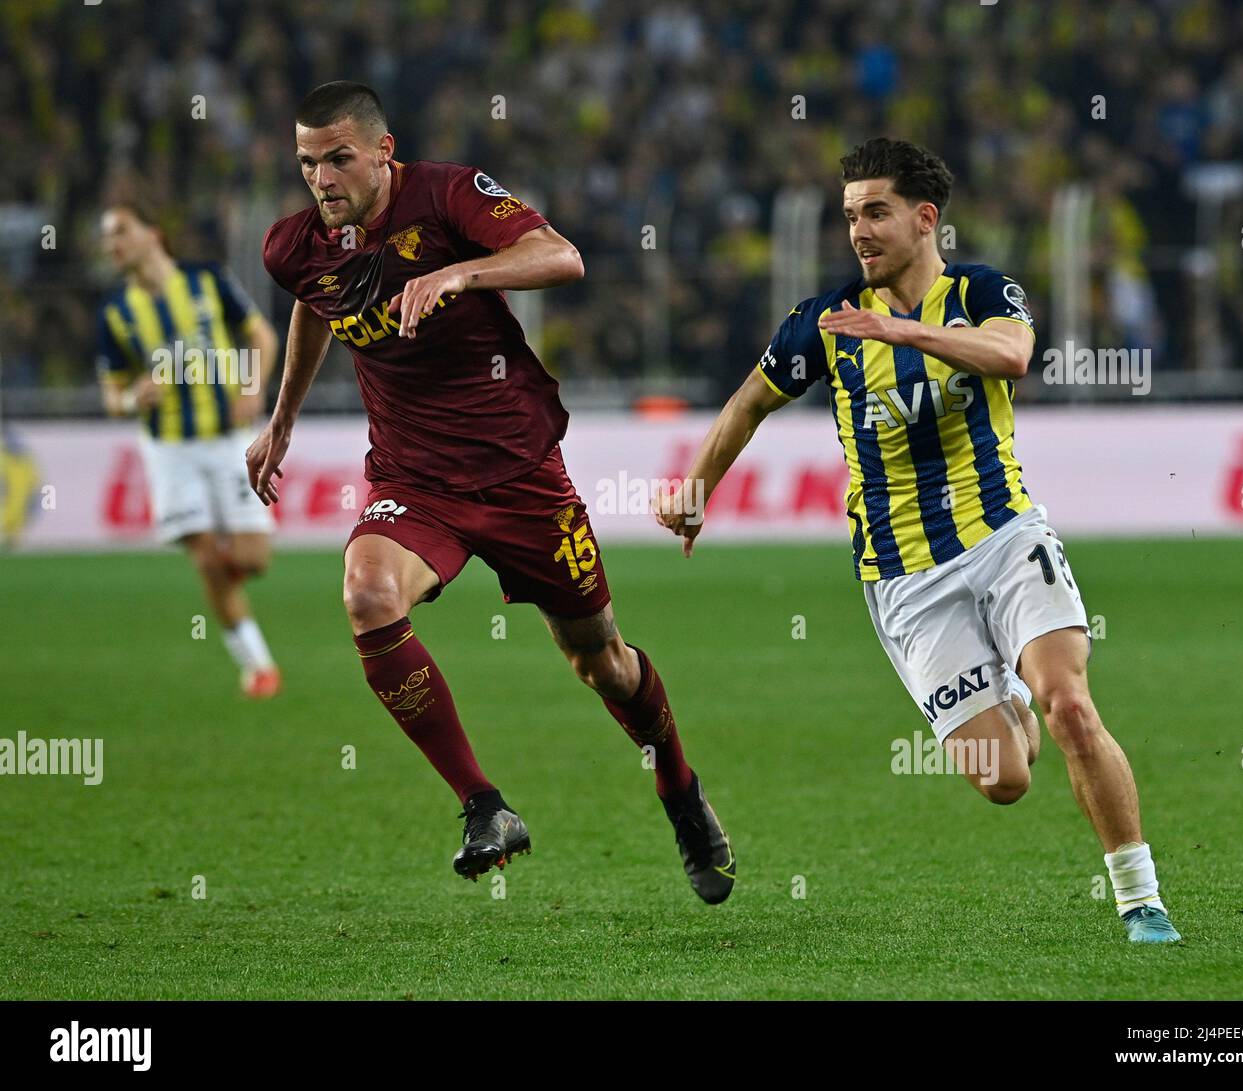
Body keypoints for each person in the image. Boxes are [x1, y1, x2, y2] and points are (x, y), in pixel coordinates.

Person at [656, 137, 1180, 942]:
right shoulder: (825, 324)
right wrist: (696, 489)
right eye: (849, 216)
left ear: (924, 218)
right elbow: (748, 402)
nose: (858, 230)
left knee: (1072, 704)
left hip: (1004, 533)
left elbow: (1012, 355)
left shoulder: (981, 290)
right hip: (904, 575)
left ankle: (1140, 898)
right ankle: (1005, 695)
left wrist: (905, 335)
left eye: (875, 212)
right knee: (1003, 778)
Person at [248, 81, 733, 900]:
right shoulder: (293, 244)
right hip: (413, 478)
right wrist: (282, 418)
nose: (321, 179)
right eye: (306, 163)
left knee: (601, 661)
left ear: (382, 152)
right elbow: (314, 302)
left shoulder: (449, 195)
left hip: (518, 475)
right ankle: (483, 805)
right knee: (368, 595)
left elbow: (562, 256)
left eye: (337, 159)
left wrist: (461, 276)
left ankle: (680, 790)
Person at [98, 202, 281, 698]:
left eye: (120, 231)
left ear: (152, 233)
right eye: (107, 237)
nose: (112, 243)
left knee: (253, 558)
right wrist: (135, 396)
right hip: (169, 448)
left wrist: (253, 388)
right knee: (204, 558)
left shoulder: (207, 279)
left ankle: (233, 586)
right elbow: (112, 395)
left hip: (227, 440)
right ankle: (259, 667)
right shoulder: (116, 312)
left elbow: (262, 335)